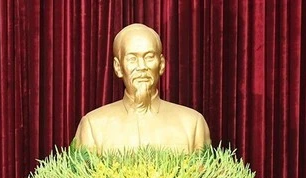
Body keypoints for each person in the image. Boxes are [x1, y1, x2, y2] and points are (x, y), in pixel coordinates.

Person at [72, 23, 211, 153]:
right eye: (132, 59)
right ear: (118, 67)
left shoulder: (192, 124)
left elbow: (207, 177)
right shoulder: (93, 126)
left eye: (149, 57)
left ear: (161, 64)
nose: (142, 66)